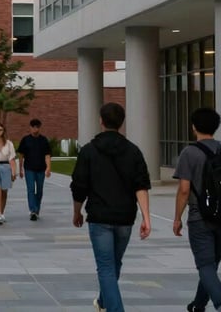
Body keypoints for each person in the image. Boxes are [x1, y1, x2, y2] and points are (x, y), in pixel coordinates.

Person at [70, 102, 151, 312]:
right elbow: (141, 185)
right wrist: (146, 218)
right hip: (125, 217)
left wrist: (77, 211)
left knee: (106, 267)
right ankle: (103, 302)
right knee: (113, 264)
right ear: (122, 123)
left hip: (99, 217)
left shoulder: (89, 151)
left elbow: (79, 185)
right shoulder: (133, 151)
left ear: (101, 121)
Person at [173, 107, 221, 312]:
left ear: (193, 127)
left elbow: (184, 190)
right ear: (216, 126)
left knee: (205, 265)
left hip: (199, 217)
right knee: (211, 264)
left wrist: (177, 218)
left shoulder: (189, 152)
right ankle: (199, 304)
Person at [17, 118, 52, 221]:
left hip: (41, 169)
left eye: (37, 127)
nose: (35, 129)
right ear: (30, 128)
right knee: (31, 189)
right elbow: (21, 155)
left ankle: (37, 208)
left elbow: (47, 155)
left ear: (39, 128)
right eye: (33, 127)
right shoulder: (25, 140)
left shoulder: (44, 140)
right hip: (29, 169)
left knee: (39, 190)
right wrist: (20, 169)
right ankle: (33, 210)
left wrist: (48, 168)